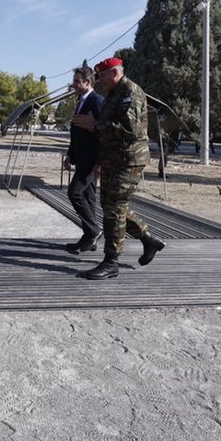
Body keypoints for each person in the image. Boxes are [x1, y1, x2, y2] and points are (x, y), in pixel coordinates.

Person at [71, 57, 166, 280]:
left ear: (114, 73)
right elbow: (110, 133)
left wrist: (94, 126)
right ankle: (147, 239)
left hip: (129, 159)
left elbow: (130, 130)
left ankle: (111, 262)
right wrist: (101, 159)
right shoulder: (114, 93)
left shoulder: (129, 92)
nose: (99, 80)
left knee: (113, 208)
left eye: (102, 76)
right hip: (115, 158)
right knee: (111, 205)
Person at [63, 64, 104, 255]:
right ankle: (90, 238)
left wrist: (100, 161)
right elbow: (77, 131)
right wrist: (70, 154)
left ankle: (94, 230)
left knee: (75, 193)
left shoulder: (96, 101)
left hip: (91, 160)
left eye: (77, 81)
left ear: (88, 82)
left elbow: (103, 134)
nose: (74, 85)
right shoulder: (81, 100)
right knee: (88, 197)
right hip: (80, 157)